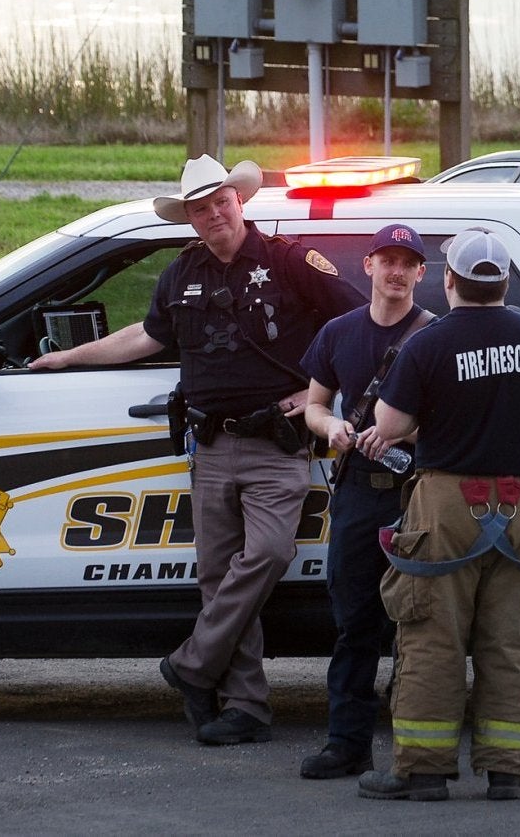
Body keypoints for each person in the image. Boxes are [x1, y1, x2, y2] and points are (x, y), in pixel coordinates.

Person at [30, 155, 361, 745]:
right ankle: (244, 707)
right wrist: (68, 356)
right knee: (217, 576)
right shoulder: (181, 273)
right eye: (200, 209)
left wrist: (313, 391)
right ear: (189, 218)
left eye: (221, 203)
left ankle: (191, 663)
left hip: (275, 445)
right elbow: (147, 336)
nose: (214, 215)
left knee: (266, 554)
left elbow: (356, 323)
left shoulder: (291, 263)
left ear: (241, 201)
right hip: (209, 444)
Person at [358, 229, 520, 803]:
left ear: (449, 280)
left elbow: (386, 425)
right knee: (510, 639)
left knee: (433, 637)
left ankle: (424, 773)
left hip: (445, 505)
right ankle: (509, 772)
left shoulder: (430, 342)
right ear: (505, 283)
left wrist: (435, 423)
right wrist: (514, 426)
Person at [296, 223, 434, 781]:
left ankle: (416, 750)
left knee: (419, 626)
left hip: (418, 498)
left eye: (409, 263)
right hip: (355, 497)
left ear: (421, 274)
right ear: (369, 266)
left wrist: (403, 435)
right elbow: (313, 405)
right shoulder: (337, 333)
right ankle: (347, 744)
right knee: (354, 623)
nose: (397, 272)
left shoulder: (435, 337)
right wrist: (331, 427)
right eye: (388, 261)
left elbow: (454, 419)